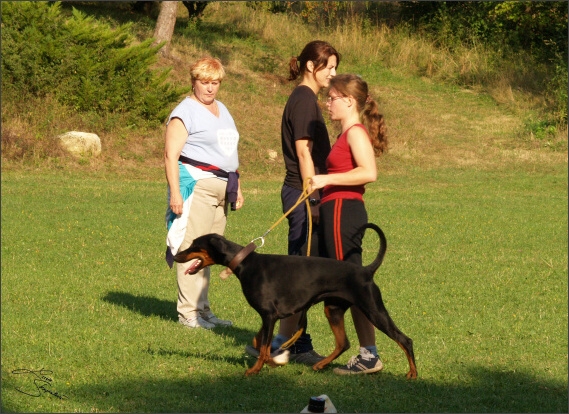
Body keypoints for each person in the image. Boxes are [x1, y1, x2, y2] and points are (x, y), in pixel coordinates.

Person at [245, 40, 340, 366]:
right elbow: (303, 151)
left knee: (305, 272)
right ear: (312, 67)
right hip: (302, 194)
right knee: (302, 274)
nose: (333, 73)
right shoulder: (303, 100)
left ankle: (288, 342)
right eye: (329, 67)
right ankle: (276, 343)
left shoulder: (308, 99)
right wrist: (311, 194)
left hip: (304, 193)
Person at [309, 73, 388, 374]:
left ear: (349, 101)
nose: (327, 103)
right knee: (346, 283)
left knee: (354, 283)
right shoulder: (345, 133)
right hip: (335, 209)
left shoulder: (355, 132)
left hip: (345, 209)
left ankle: (369, 354)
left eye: (332, 98)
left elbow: (369, 172)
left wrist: (326, 179)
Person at [164, 56, 244, 330]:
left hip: (223, 188)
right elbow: (170, 155)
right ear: (193, 82)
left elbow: (229, 153)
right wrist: (176, 193)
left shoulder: (222, 109)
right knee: (192, 248)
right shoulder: (184, 111)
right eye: (205, 82)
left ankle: (204, 310)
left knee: (210, 252)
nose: (210, 88)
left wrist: (238, 187)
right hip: (197, 186)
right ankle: (188, 313)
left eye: (215, 83)